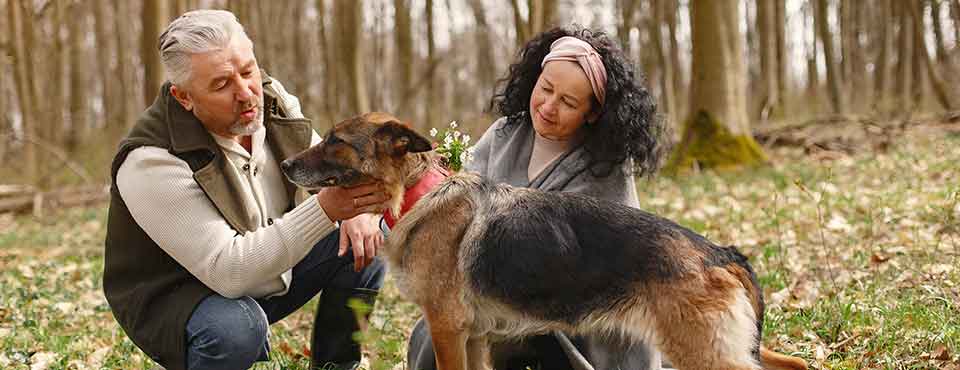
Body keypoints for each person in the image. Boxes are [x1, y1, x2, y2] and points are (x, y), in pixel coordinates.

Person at [103, 10, 390, 370]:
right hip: (183, 295)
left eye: (248, 70)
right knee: (236, 327)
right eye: (221, 85)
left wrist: (360, 209)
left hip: (266, 265)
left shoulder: (271, 100)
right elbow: (229, 271)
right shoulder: (151, 160)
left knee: (368, 236)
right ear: (184, 97)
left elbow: (333, 176)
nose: (245, 93)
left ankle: (337, 364)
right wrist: (329, 209)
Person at [406, 25, 668, 370]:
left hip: (572, 314)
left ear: (592, 112)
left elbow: (615, 264)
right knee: (438, 328)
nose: (548, 106)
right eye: (545, 89)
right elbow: (458, 212)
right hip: (487, 296)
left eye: (568, 102)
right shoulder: (504, 133)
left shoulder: (606, 168)